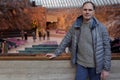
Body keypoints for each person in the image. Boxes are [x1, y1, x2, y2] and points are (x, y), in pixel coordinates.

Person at [46, 1, 111, 80]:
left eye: (90, 10)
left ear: (94, 12)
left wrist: (106, 69)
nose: (87, 12)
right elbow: (66, 39)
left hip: (96, 66)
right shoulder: (76, 25)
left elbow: (107, 48)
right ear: (82, 11)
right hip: (81, 64)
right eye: (85, 9)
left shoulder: (101, 28)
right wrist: (56, 53)